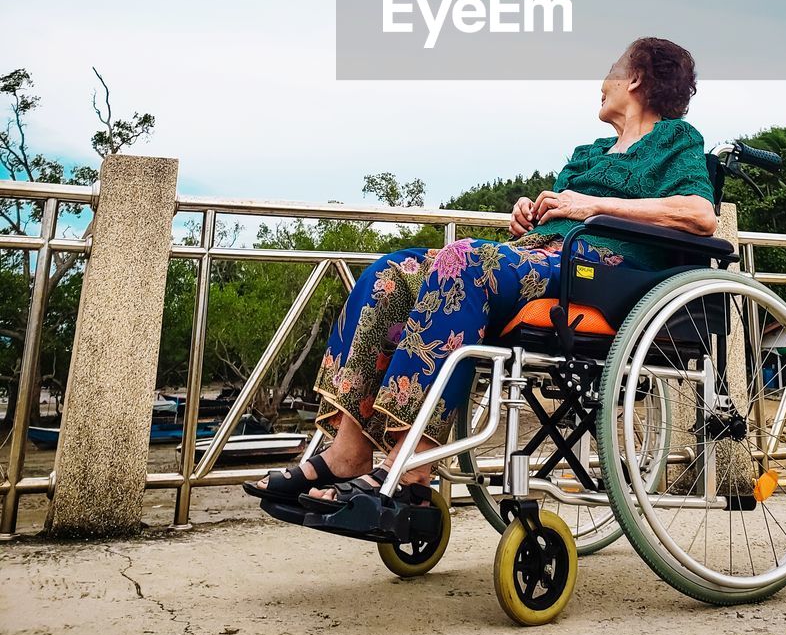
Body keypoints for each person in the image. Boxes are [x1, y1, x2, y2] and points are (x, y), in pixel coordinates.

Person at [244, 36, 716, 512]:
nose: (602, 83)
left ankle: (413, 463)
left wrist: (588, 205)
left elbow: (700, 214)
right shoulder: (588, 153)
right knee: (390, 273)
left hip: (602, 275)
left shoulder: (675, 141)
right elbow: (561, 212)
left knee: (465, 260)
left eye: (612, 70)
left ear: (634, 79)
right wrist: (532, 214)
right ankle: (349, 450)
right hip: (538, 258)